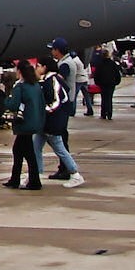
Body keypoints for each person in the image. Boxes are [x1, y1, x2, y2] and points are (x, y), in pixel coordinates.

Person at [35, 56, 84, 187]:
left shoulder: (52, 80)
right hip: (48, 122)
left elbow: (55, 102)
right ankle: (36, 175)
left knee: (60, 149)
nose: (36, 69)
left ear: (44, 67)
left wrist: (42, 111)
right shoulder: (51, 80)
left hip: (53, 122)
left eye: (38, 66)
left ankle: (75, 174)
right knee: (36, 148)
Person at [3, 61, 45, 190]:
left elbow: (13, 105)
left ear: (20, 72)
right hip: (34, 122)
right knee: (20, 151)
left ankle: (33, 181)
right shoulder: (36, 86)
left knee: (27, 153)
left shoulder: (20, 87)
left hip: (24, 124)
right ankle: (15, 179)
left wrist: (6, 97)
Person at [91, 46, 122, 121]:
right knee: (109, 98)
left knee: (104, 98)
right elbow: (117, 73)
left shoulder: (99, 64)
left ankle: (103, 113)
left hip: (102, 83)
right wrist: (117, 81)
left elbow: (96, 74)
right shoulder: (112, 63)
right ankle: (109, 113)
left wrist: (97, 82)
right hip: (111, 83)